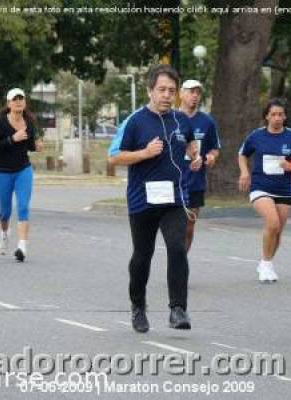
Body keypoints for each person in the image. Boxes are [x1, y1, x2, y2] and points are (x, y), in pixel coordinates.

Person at [108, 64, 202, 333]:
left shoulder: (182, 120)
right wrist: (145, 153)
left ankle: (178, 309)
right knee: (142, 255)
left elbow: (190, 145)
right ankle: (138, 307)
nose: (166, 95)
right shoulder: (136, 121)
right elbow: (114, 158)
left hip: (173, 199)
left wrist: (194, 158)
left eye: (171, 90)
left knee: (177, 247)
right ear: (150, 91)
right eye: (161, 89)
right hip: (142, 200)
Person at [238, 99, 291, 282]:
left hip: (284, 189)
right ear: (266, 116)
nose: (277, 118)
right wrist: (244, 173)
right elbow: (242, 154)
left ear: (285, 116)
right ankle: (265, 264)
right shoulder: (257, 136)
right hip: (260, 187)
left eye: (281, 114)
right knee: (272, 223)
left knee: (278, 230)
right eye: (273, 114)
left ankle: (267, 262)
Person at [0, 88, 43, 262]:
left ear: (25, 102)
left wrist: (37, 146)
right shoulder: (0, 123)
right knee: (5, 212)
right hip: (2, 171)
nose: (19, 101)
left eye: (21, 99)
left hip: (23, 170)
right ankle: (4, 233)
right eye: (15, 99)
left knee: (23, 206)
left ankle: (22, 246)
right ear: (9, 103)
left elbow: (30, 146)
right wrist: (13, 138)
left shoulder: (29, 122)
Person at [179, 79, 221, 252]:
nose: (194, 96)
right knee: (174, 228)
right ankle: (175, 260)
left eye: (197, 92)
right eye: (191, 91)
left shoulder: (207, 122)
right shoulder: (170, 118)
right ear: (181, 93)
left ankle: (180, 262)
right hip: (173, 182)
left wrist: (211, 157)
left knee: (189, 227)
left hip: (195, 182)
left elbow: (214, 148)